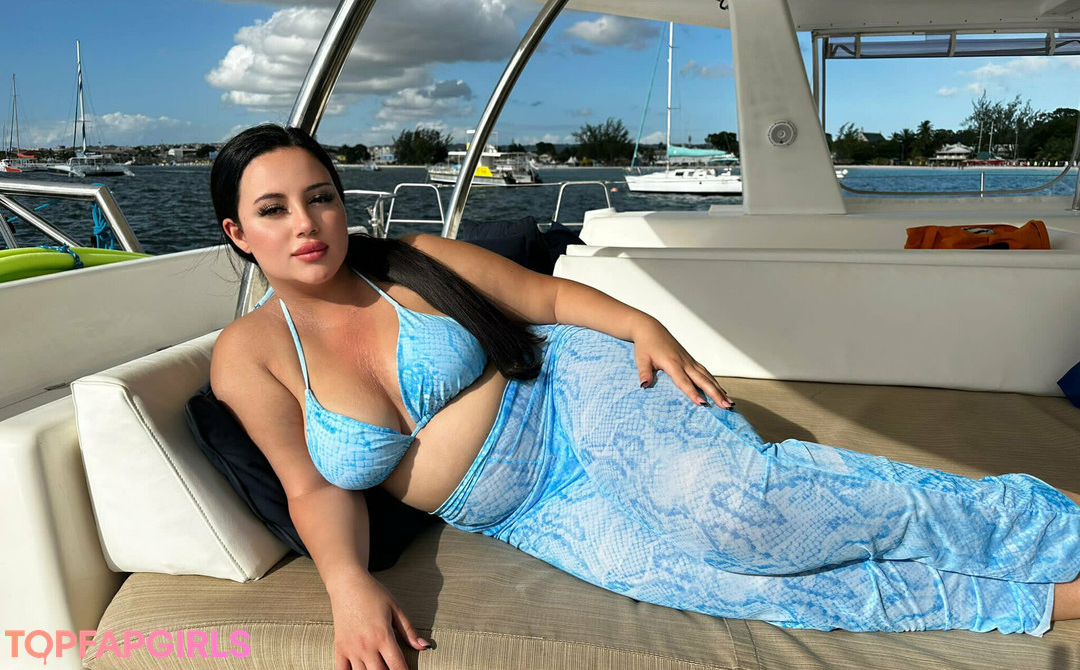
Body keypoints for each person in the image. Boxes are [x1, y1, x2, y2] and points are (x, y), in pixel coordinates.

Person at [210, 124, 1080, 670]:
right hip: (525, 509)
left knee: (731, 509)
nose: (306, 223)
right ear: (238, 233)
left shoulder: (413, 260)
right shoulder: (247, 357)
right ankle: (1036, 601)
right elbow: (311, 486)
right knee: (718, 581)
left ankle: (1048, 529)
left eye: (320, 197)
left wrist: (642, 326)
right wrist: (348, 585)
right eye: (274, 209)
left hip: (572, 392)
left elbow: (547, 298)